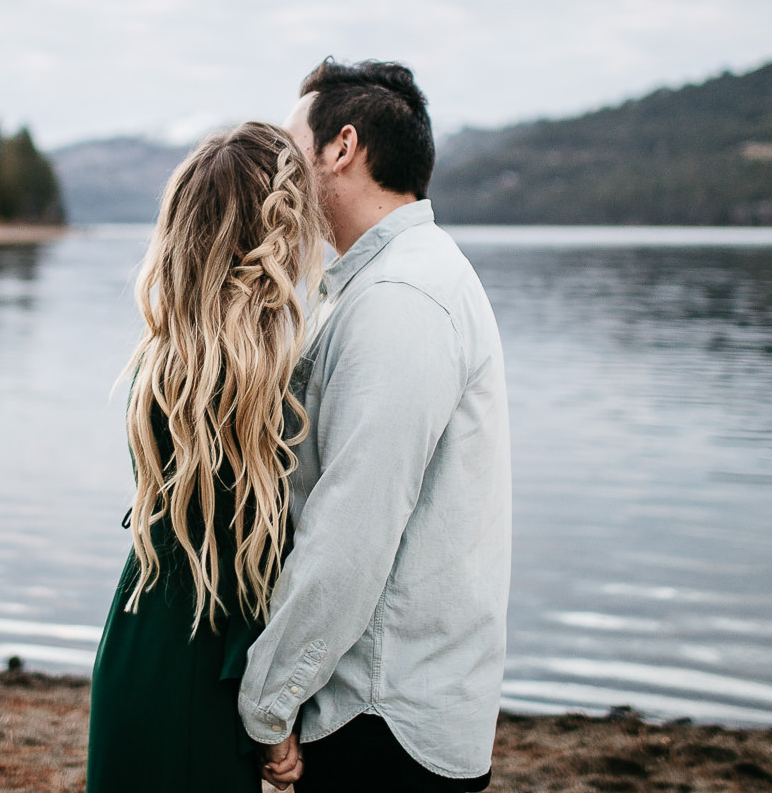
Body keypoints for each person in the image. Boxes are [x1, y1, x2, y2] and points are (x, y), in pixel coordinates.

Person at [244, 59, 512, 793]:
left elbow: (352, 528)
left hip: (382, 718)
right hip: (383, 705)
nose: (279, 169)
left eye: (291, 145)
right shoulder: (387, 281)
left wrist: (268, 704)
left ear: (342, 148)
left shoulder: (400, 297)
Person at [86, 121, 326, 793]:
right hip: (199, 669)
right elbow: (251, 570)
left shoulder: (164, 361)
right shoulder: (254, 387)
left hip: (138, 639)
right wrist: (271, 719)